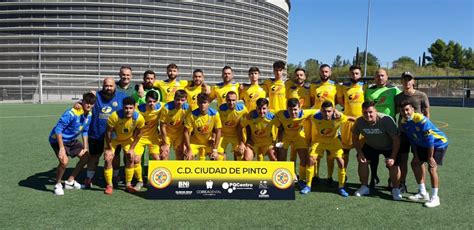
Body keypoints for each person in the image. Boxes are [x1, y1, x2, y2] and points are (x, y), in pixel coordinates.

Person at [399, 101, 447, 208]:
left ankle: (435, 198)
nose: (406, 112)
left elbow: (430, 140)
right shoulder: (404, 122)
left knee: (432, 167)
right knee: (415, 163)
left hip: (438, 143)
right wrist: (416, 155)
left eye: (407, 110)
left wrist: (430, 157)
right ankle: (423, 192)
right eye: (403, 110)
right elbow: (412, 139)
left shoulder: (421, 119)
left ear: (413, 110)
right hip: (422, 144)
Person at [83, 77, 128, 189]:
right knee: (94, 157)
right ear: (103, 86)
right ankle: (89, 178)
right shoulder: (95, 96)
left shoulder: (122, 96)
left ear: (114, 86)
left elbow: (130, 107)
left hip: (114, 135)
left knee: (115, 156)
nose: (108, 88)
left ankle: (115, 176)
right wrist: (79, 103)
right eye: (106, 86)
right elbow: (84, 103)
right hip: (96, 133)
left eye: (111, 86)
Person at [352, 101, 402, 200]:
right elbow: (354, 138)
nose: (368, 115)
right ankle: (364, 187)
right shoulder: (359, 122)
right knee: (362, 161)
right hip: (371, 145)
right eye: (365, 112)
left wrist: (393, 157)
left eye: (370, 112)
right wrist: (360, 153)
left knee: (394, 165)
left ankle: (396, 189)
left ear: (376, 111)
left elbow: (396, 139)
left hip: (389, 146)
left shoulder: (386, 120)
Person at [49, 92, 96, 195]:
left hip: (71, 140)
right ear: (82, 102)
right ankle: (57, 184)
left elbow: (85, 131)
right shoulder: (72, 113)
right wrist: (61, 148)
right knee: (64, 162)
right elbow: (58, 129)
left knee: (86, 157)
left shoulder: (90, 114)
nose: (88, 105)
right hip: (57, 139)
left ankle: (70, 181)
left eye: (91, 103)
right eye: (86, 102)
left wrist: (85, 147)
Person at [303, 101, 351, 197]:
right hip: (319, 141)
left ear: (333, 110)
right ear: (321, 110)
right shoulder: (315, 117)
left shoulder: (338, 117)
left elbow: (349, 118)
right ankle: (308, 185)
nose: (327, 114)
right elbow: (302, 113)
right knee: (311, 159)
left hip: (334, 141)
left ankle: (341, 187)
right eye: (324, 111)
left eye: (329, 111)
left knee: (341, 162)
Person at [364, 68, 401, 188]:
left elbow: (401, 103)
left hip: (388, 128)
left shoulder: (394, 89)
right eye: (378, 75)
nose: (380, 78)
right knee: (372, 154)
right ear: (374, 78)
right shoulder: (369, 90)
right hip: (373, 127)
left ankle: (392, 180)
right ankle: (373, 177)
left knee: (391, 156)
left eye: (382, 75)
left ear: (387, 77)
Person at [395, 71, 431, 193]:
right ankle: (402, 184)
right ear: (401, 81)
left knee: (418, 160)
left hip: (418, 134)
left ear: (413, 81)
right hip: (404, 133)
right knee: (403, 160)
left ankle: (422, 188)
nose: (407, 82)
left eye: (409, 79)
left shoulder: (421, 95)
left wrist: (426, 131)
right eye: (404, 79)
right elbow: (393, 112)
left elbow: (427, 114)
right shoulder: (398, 97)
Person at [104, 97, 145, 195]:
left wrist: (132, 148)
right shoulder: (115, 116)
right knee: (108, 158)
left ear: (134, 107)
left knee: (131, 157)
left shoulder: (139, 118)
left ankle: (128, 184)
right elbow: (108, 133)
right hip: (114, 140)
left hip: (127, 139)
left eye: (130, 108)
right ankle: (109, 185)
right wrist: (109, 149)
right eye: (126, 108)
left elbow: (139, 133)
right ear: (122, 107)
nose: (128, 110)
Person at [275, 98, 314, 191]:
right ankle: (285, 178)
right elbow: (270, 112)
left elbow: (319, 111)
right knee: (281, 157)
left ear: (300, 108)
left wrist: (335, 111)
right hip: (286, 136)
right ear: (287, 109)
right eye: (290, 110)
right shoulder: (280, 114)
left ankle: (301, 180)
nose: (293, 112)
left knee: (304, 159)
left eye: (295, 109)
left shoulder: (304, 113)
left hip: (298, 136)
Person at [310, 64, 339, 186]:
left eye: (326, 71)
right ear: (319, 73)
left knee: (330, 152)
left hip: (331, 122)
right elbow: (312, 102)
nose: (324, 74)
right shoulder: (314, 86)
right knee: (316, 150)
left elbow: (338, 101)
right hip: (317, 122)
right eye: (322, 71)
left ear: (330, 72)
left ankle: (329, 177)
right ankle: (315, 175)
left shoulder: (335, 86)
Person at [336, 65, 367, 180]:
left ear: (360, 74)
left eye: (357, 73)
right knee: (345, 151)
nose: (354, 75)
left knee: (362, 152)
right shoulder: (343, 87)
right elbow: (340, 100)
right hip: (348, 122)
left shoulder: (365, 87)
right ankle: (343, 175)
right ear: (349, 74)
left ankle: (363, 179)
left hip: (362, 122)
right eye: (352, 73)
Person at [133, 91, 163, 191]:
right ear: (145, 101)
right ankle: (140, 181)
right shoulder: (139, 109)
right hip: (140, 138)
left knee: (156, 158)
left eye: (154, 101)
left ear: (157, 101)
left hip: (153, 137)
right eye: (149, 101)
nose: (152, 104)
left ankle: (154, 180)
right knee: (136, 159)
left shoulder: (160, 107)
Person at [285, 68, 311, 168]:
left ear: (305, 76)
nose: (299, 77)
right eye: (297, 75)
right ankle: (293, 173)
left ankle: (311, 174)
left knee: (307, 146)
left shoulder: (309, 89)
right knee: (293, 149)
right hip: (293, 119)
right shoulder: (290, 89)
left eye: (301, 75)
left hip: (306, 121)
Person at [184, 93, 223, 160]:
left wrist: (215, 150)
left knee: (218, 157)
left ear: (208, 103)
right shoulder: (191, 115)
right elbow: (186, 132)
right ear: (197, 103)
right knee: (188, 157)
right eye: (200, 103)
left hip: (209, 142)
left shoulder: (215, 114)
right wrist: (188, 149)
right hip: (195, 142)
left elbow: (218, 131)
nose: (202, 105)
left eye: (204, 103)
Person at [159, 89, 190, 160]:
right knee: (164, 154)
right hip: (167, 134)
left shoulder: (188, 108)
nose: (180, 102)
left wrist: (186, 142)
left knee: (181, 155)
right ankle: (165, 171)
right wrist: (164, 143)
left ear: (186, 100)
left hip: (179, 134)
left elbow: (189, 126)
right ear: (174, 98)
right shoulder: (166, 108)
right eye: (177, 100)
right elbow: (162, 126)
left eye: (182, 100)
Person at [218, 91, 248, 160]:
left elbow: (249, 120)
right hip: (223, 135)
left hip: (236, 135)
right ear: (226, 100)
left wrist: (243, 141)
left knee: (240, 152)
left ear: (237, 100)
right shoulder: (221, 109)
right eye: (229, 100)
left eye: (233, 100)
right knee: (218, 156)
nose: (231, 102)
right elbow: (216, 125)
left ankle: (236, 168)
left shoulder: (242, 109)